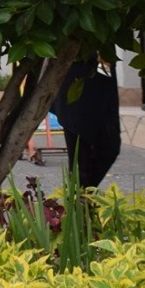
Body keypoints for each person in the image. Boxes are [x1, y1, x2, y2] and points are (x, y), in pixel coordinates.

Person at [49, 54, 123, 189]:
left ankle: (80, 200)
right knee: (81, 157)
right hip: (73, 76)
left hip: (102, 74)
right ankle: (80, 203)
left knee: (110, 148)